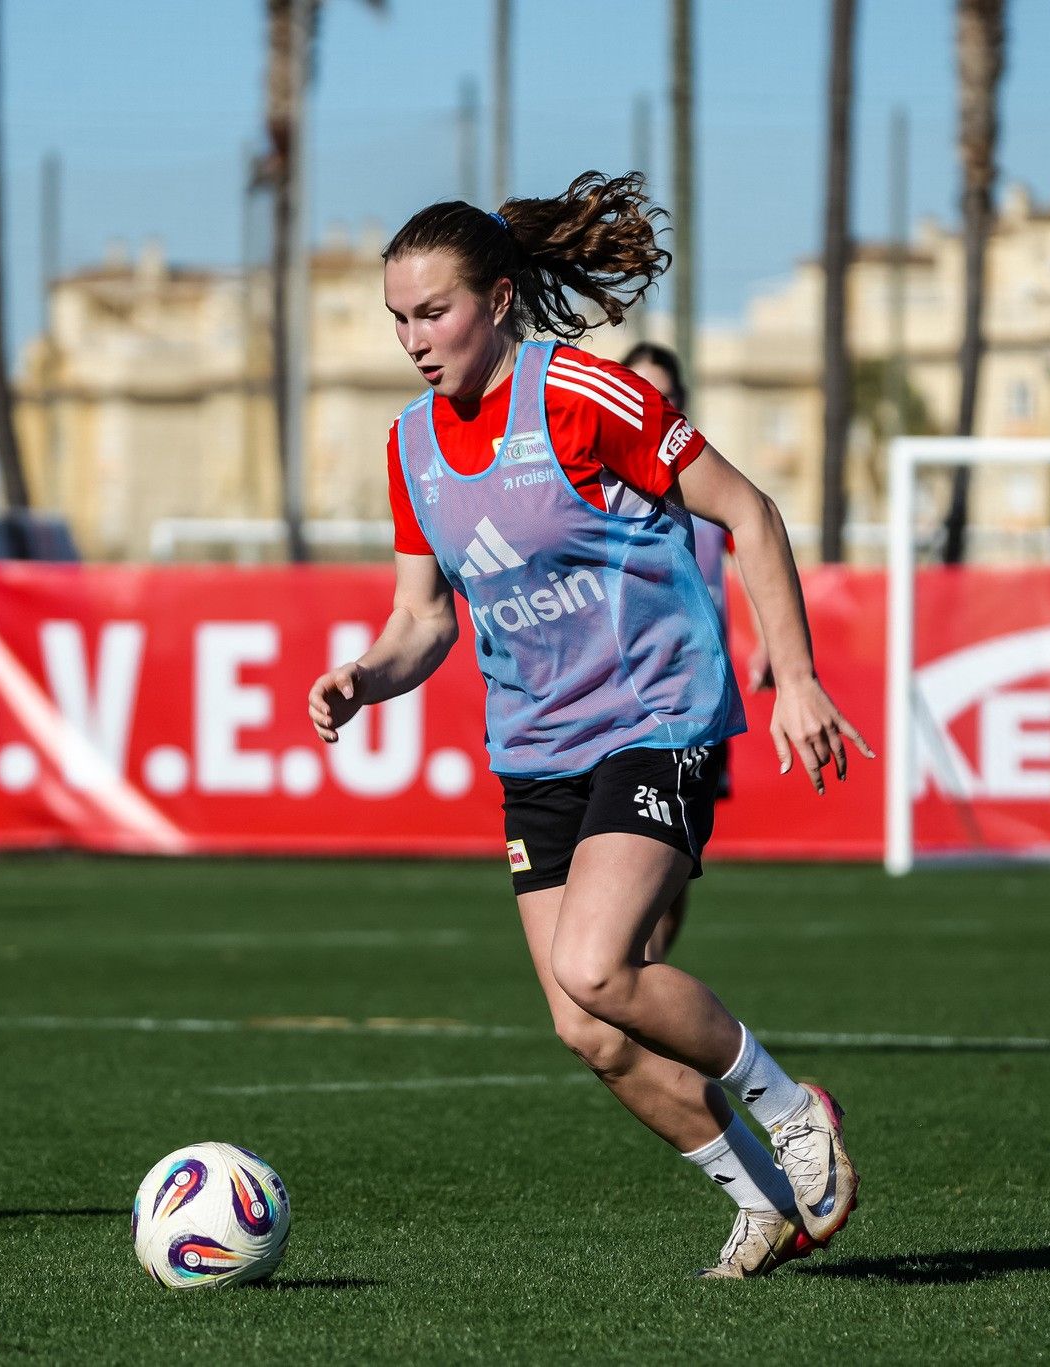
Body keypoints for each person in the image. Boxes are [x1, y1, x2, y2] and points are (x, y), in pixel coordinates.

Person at [307, 172, 871, 1278]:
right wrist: (365, 677)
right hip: (534, 748)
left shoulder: (581, 394)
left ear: (497, 301)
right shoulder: (411, 444)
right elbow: (423, 619)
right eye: (398, 319)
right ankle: (759, 1201)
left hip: (655, 717)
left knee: (598, 964)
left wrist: (796, 677)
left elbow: (749, 511)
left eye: (433, 313)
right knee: (588, 1026)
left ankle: (793, 1109)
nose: (414, 340)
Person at [619, 341, 766, 962]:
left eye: (665, 395)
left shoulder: (702, 486)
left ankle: (640, 973)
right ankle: (633, 975)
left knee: (675, 859)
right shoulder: (600, 485)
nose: (651, 403)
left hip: (696, 697)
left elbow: (752, 544)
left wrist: (769, 641)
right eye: (639, 391)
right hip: (620, 697)